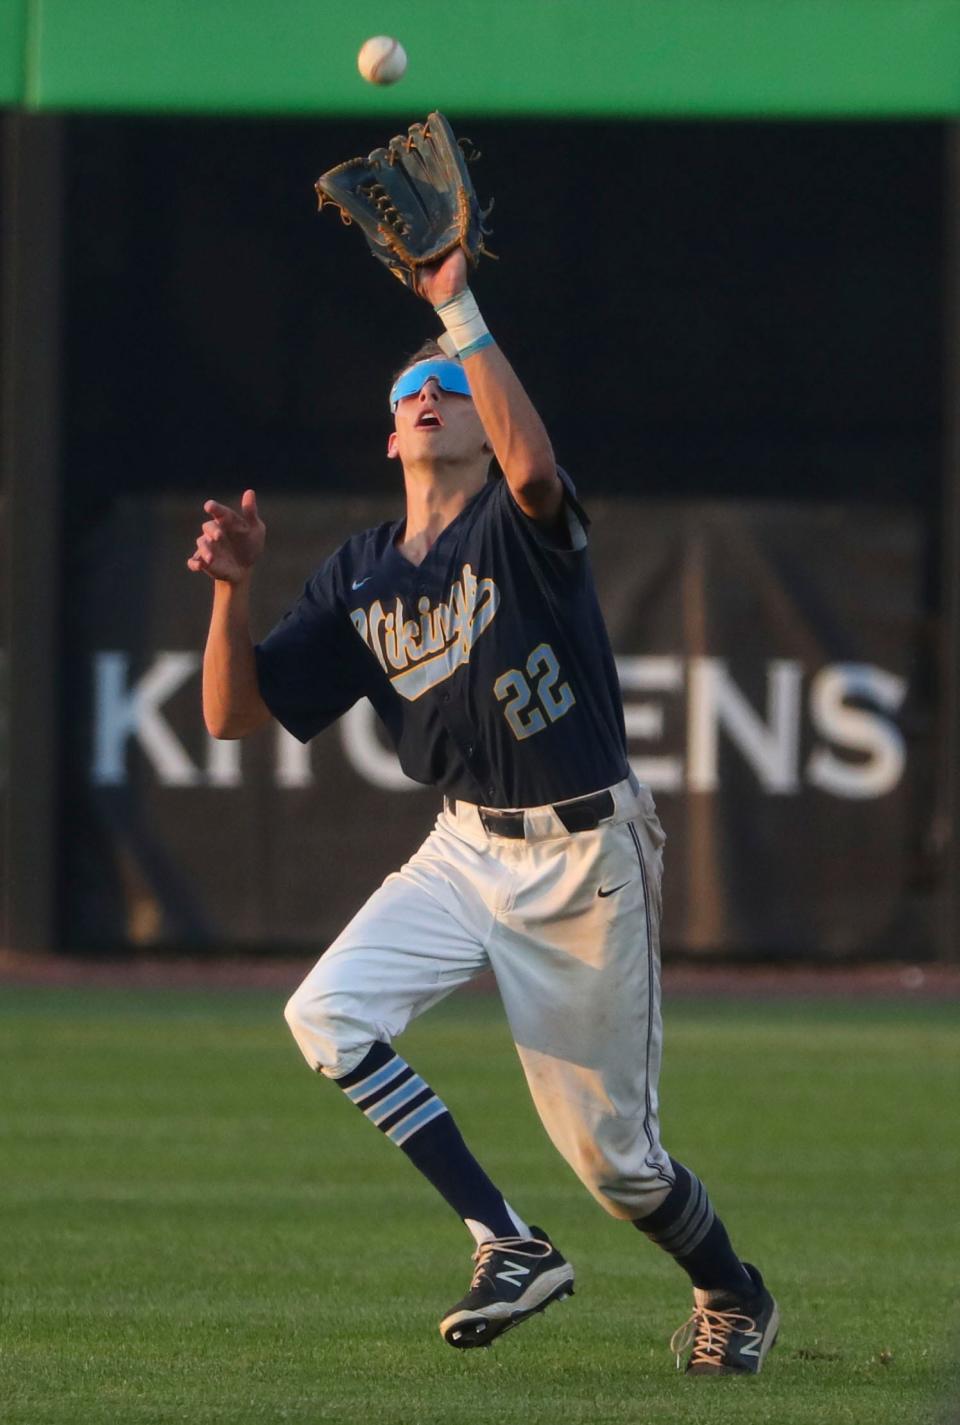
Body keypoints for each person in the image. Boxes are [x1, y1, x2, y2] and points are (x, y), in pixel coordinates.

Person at [187, 250, 779, 1373]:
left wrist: (456, 311)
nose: (423, 397)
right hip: (463, 850)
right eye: (407, 393)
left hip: (586, 853)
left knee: (620, 1169)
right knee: (325, 1017)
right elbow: (232, 716)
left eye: (445, 388)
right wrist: (230, 593)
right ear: (390, 437)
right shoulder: (360, 574)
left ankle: (732, 1291)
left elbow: (537, 463)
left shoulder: (519, 523)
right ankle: (504, 1235)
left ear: (477, 414)